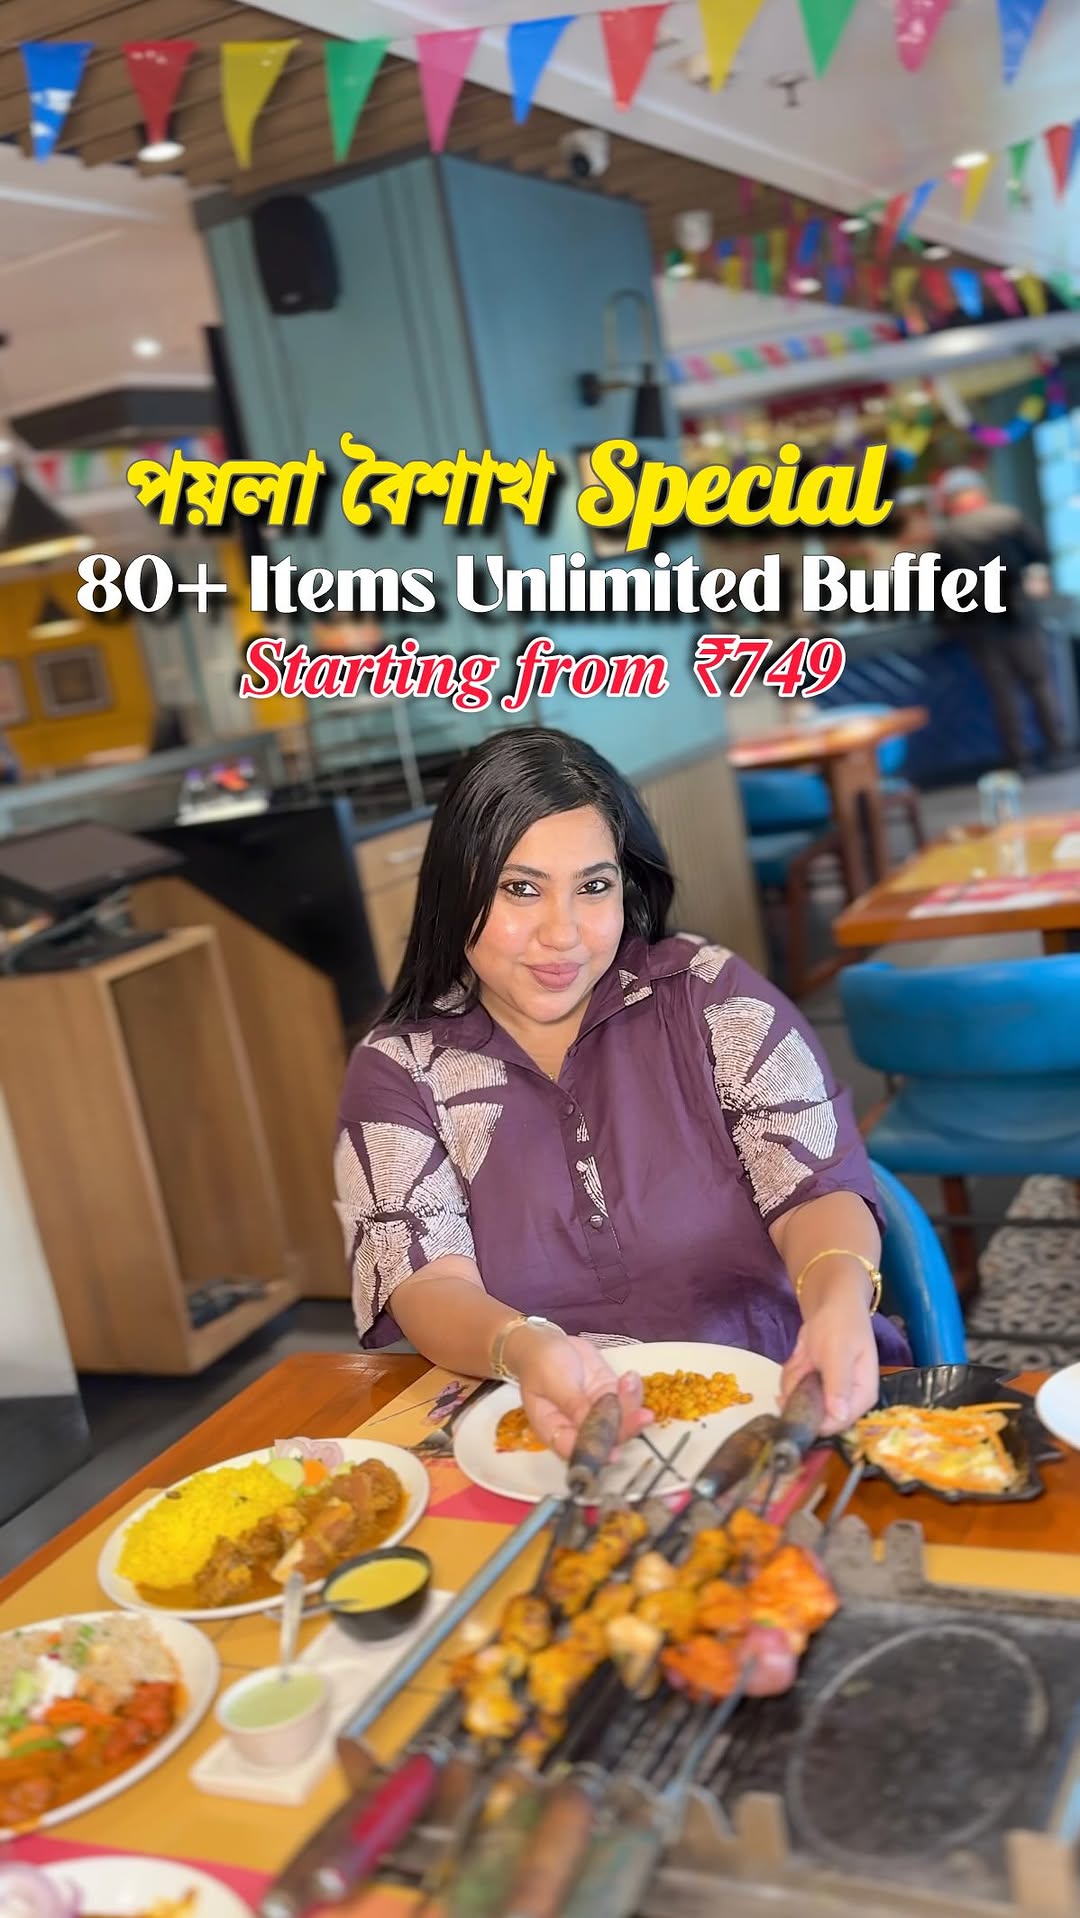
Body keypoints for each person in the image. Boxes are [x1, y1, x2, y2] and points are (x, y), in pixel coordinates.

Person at [334, 728, 909, 1460]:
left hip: (785, 1399)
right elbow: (426, 1283)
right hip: (550, 1431)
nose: (563, 933)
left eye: (593, 887)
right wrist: (523, 1347)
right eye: (520, 888)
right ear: (456, 889)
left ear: (626, 887)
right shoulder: (398, 1069)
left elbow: (814, 1189)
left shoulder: (710, 997)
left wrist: (837, 1299)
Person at [933, 467, 1067, 771]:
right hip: (1019, 614)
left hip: (980, 623)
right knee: (1039, 684)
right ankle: (1057, 749)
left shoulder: (949, 536)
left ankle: (1018, 760)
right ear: (981, 492)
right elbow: (1039, 556)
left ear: (950, 499)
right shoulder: (1008, 518)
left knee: (1003, 694)